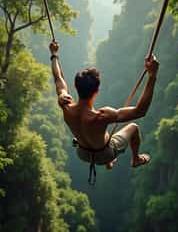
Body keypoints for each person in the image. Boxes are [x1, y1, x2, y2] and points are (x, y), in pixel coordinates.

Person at [49, 41, 159, 169]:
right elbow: (140, 111)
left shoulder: (66, 105)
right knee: (133, 128)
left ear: (75, 86)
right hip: (104, 154)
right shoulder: (102, 116)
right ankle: (136, 159)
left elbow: (58, 78)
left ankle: (108, 161)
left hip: (83, 153)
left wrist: (54, 54)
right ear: (96, 91)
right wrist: (152, 75)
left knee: (99, 135)